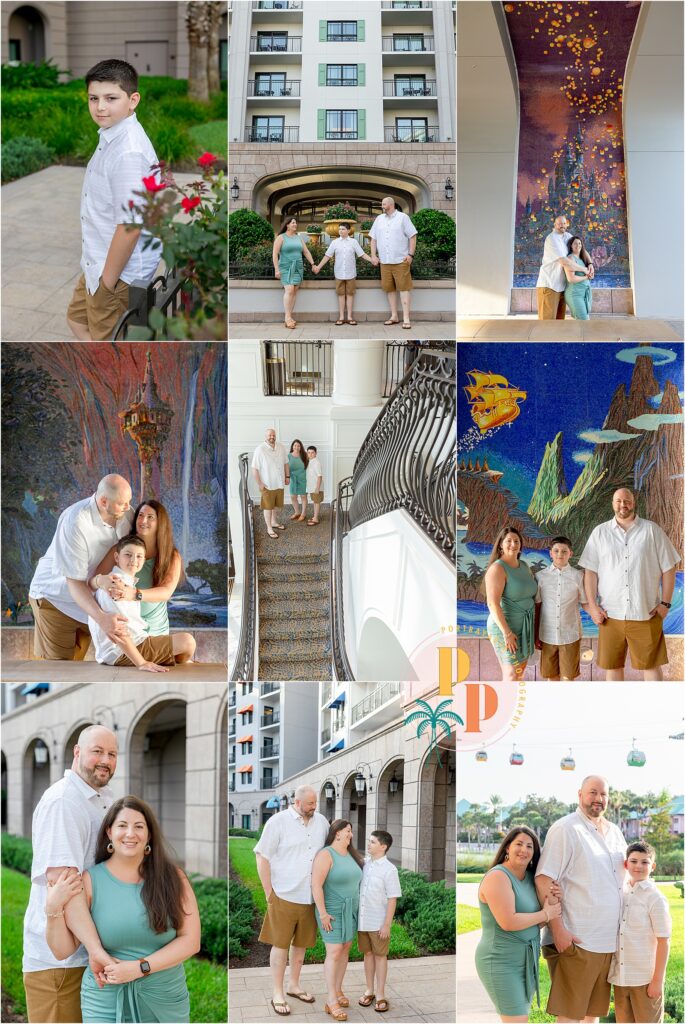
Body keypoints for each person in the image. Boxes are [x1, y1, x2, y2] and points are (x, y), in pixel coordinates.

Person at [45, 796, 200, 1023]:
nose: (130, 833)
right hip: (105, 1001)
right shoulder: (89, 881)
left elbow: (191, 941)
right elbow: (61, 950)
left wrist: (140, 968)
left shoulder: (173, 877)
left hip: (164, 998)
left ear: (149, 835)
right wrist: (52, 908)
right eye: (122, 826)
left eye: (139, 826)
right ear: (109, 832)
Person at [22, 726, 118, 1024]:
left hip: (85, 956)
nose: (105, 760)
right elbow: (65, 887)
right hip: (60, 963)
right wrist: (96, 949)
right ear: (77, 752)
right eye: (97, 751)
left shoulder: (98, 798)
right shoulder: (64, 802)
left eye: (112, 754)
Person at [66, 59, 161, 341]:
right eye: (93, 98)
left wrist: (107, 283)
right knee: (76, 321)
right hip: (98, 263)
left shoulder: (127, 152)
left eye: (111, 98)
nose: (100, 107)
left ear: (133, 100)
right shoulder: (113, 134)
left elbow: (130, 226)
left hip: (118, 274)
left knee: (108, 346)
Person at [536, 775, 627, 1023]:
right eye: (592, 792)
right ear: (580, 795)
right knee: (570, 1017)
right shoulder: (566, 829)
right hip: (576, 940)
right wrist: (559, 930)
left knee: (591, 1016)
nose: (598, 799)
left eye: (603, 794)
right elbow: (544, 880)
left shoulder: (615, 832)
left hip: (608, 943)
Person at [28, 474, 134, 661]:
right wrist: (102, 619)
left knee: (77, 664)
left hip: (87, 599)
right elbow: (74, 583)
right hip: (55, 599)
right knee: (61, 670)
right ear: (103, 501)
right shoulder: (76, 520)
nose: (128, 507)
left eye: (129, 501)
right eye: (122, 503)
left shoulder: (126, 514)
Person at [579, 488, 679, 681]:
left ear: (633, 502)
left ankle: (656, 709)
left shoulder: (651, 530)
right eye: (618, 501)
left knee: (651, 667)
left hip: (645, 613)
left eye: (627, 500)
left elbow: (669, 568)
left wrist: (665, 604)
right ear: (612, 503)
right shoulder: (600, 532)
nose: (623, 504)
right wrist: (592, 606)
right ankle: (616, 710)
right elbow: (590, 572)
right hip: (610, 615)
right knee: (612, 668)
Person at [254, 786, 329, 1018]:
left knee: (301, 946)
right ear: (297, 802)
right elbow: (262, 855)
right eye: (309, 804)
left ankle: (294, 985)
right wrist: (269, 892)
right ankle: (278, 992)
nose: (314, 807)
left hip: (310, 897)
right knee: (280, 945)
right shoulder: (277, 822)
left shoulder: (322, 822)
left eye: (315, 803)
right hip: (284, 895)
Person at [475, 827, 562, 1022]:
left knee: (519, 1018)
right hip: (499, 961)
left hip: (526, 961)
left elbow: (535, 923)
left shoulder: (531, 878)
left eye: (529, 846)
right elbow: (509, 922)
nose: (524, 850)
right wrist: (545, 914)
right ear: (507, 847)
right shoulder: (498, 877)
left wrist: (555, 898)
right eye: (519, 844)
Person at [88, 535, 195, 671]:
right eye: (128, 555)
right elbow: (118, 630)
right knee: (188, 641)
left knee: (182, 644)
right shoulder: (115, 585)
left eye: (139, 556)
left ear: (144, 560)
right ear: (116, 558)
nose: (134, 560)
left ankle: (173, 660)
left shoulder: (127, 583)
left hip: (133, 644)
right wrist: (141, 663)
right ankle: (177, 662)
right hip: (121, 652)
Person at [88, 500, 183, 637]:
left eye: (150, 517)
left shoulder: (171, 555)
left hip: (157, 630)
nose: (143, 520)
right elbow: (93, 583)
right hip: (126, 628)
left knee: (186, 644)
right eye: (140, 515)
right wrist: (100, 581)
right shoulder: (120, 549)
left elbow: (166, 592)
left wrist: (133, 594)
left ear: (160, 523)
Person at [608, 841, 671, 1024]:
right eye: (634, 861)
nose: (639, 866)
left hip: (645, 980)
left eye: (645, 862)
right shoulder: (621, 892)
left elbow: (663, 941)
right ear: (626, 864)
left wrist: (658, 981)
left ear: (653, 866)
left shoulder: (655, 898)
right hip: (621, 979)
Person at [312, 820, 364, 1023]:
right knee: (334, 951)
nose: (351, 834)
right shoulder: (326, 854)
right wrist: (322, 913)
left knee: (345, 949)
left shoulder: (351, 854)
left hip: (351, 909)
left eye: (351, 831)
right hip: (332, 910)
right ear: (337, 833)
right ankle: (331, 1000)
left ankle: (338, 989)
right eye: (348, 831)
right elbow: (316, 885)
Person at [484, 525, 538, 681]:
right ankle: (506, 704)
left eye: (516, 541)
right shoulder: (497, 569)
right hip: (505, 628)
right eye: (508, 541)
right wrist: (507, 633)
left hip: (524, 626)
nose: (513, 544)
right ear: (501, 544)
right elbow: (492, 604)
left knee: (519, 671)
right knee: (511, 674)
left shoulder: (525, 566)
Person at [357, 830, 402, 1015]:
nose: (369, 845)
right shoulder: (365, 864)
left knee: (380, 956)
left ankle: (381, 994)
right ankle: (369, 991)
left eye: (373, 842)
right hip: (363, 922)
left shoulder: (390, 870)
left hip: (378, 923)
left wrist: (386, 925)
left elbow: (392, 898)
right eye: (369, 841)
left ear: (383, 846)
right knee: (368, 955)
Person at [534, 535, 588, 680]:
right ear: (550, 553)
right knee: (551, 676)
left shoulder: (578, 577)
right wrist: (535, 635)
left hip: (570, 634)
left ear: (571, 553)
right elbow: (538, 606)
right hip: (547, 635)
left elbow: (585, 602)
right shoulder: (540, 577)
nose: (560, 554)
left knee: (568, 678)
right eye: (556, 551)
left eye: (564, 551)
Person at [368, 197, 418, 330]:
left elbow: (412, 236)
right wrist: (373, 255)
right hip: (384, 261)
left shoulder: (403, 218)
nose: (382, 206)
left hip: (401, 260)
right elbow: (373, 239)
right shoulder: (379, 219)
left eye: (383, 204)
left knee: (404, 289)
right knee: (389, 289)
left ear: (391, 204)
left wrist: (410, 255)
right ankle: (394, 316)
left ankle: (406, 318)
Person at [314, 222, 376, 326]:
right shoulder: (334, 243)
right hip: (339, 273)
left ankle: (350, 317)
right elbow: (327, 256)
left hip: (350, 273)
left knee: (350, 295)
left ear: (348, 230)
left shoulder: (353, 242)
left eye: (343, 229)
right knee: (341, 295)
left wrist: (372, 260)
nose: (340, 231)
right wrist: (318, 267)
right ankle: (342, 317)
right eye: (339, 229)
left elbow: (362, 254)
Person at [536, 215, 594, 320]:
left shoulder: (568, 236)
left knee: (559, 323)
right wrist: (585, 270)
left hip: (562, 287)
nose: (561, 226)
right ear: (554, 225)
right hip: (550, 285)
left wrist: (590, 264)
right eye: (559, 223)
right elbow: (564, 262)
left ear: (567, 224)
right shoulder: (552, 238)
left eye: (563, 223)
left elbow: (581, 249)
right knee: (546, 323)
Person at [272, 217, 317, 330]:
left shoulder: (298, 237)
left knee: (294, 291)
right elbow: (275, 254)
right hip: (286, 267)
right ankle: (287, 318)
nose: (295, 224)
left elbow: (306, 251)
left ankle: (290, 317)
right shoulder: (281, 237)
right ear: (287, 225)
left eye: (295, 222)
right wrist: (277, 269)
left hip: (298, 267)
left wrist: (313, 264)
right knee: (289, 290)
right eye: (293, 223)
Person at [252, 428, 291, 540]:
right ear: (265, 436)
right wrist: (260, 483)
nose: (272, 437)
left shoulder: (281, 447)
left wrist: (287, 476)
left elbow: (286, 463)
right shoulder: (260, 449)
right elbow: (254, 468)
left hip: (279, 483)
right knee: (268, 507)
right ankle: (269, 528)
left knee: (276, 506)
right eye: (269, 435)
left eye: (273, 435)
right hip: (267, 485)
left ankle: (274, 522)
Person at [563, 236, 593, 320]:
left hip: (584, 293)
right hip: (575, 294)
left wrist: (590, 274)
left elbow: (587, 272)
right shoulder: (570, 258)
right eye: (575, 243)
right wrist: (586, 277)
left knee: (583, 320)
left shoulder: (583, 258)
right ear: (571, 246)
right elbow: (571, 279)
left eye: (579, 243)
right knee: (583, 319)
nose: (578, 245)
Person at [288, 440, 308, 522]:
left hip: (303, 478)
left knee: (303, 496)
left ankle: (303, 514)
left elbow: (310, 466)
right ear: (292, 446)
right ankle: (297, 512)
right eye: (295, 445)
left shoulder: (304, 455)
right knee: (293, 497)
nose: (296, 447)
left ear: (301, 447)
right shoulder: (288, 456)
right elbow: (286, 467)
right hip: (293, 478)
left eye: (298, 446)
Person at [306, 445, 324, 526]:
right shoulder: (310, 461)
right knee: (315, 502)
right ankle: (314, 516)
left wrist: (317, 488)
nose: (310, 454)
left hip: (316, 487)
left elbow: (319, 476)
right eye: (309, 453)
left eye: (312, 453)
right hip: (312, 486)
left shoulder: (316, 462)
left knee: (317, 502)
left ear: (315, 453)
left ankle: (316, 519)